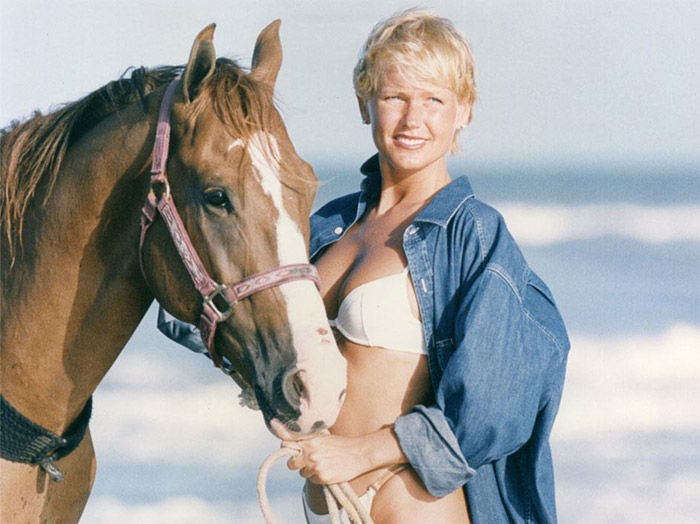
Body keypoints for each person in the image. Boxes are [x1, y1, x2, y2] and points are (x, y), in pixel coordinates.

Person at [159, 8, 569, 524]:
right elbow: (250, 321)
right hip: (324, 506)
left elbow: (498, 403)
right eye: (394, 96)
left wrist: (361, 452)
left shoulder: (473, 235)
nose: (412, 119)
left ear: (463, 111)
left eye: (434, 100)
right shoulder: (328, 224)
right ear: (364, 103)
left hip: (409, 501)